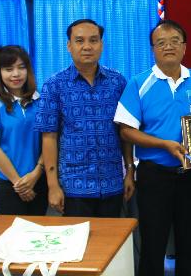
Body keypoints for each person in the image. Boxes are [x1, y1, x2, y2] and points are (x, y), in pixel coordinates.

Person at [115, 19, 191, 276]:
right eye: (161, 43)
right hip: (154, 175)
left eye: (175, 41)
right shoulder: (139, 83)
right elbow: (126, 130)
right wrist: (163, 144)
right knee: (153, 242)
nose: (168, 47)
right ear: (153, 49)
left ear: (184, 47)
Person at [34, 19, 132, 217]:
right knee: (78, 237)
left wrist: (130, 171)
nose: (87, 46)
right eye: (79, 41)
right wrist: (53, 186)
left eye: (93, 40)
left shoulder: (118, 82)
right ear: (69, 46)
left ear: (101, 44)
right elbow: (49, 137)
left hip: (112, 182)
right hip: (74, 185)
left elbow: (125, 131)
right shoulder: (54, 85)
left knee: (112, 236)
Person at [0, 45, 48, 215]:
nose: (16, 74)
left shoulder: (40, 99)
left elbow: (49, 140)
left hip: (38, 180)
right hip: (7, 184)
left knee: (38, 230)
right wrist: (19, 184)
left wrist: (36, 173)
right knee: (13, 231)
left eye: (21, 67)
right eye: (8, 69)